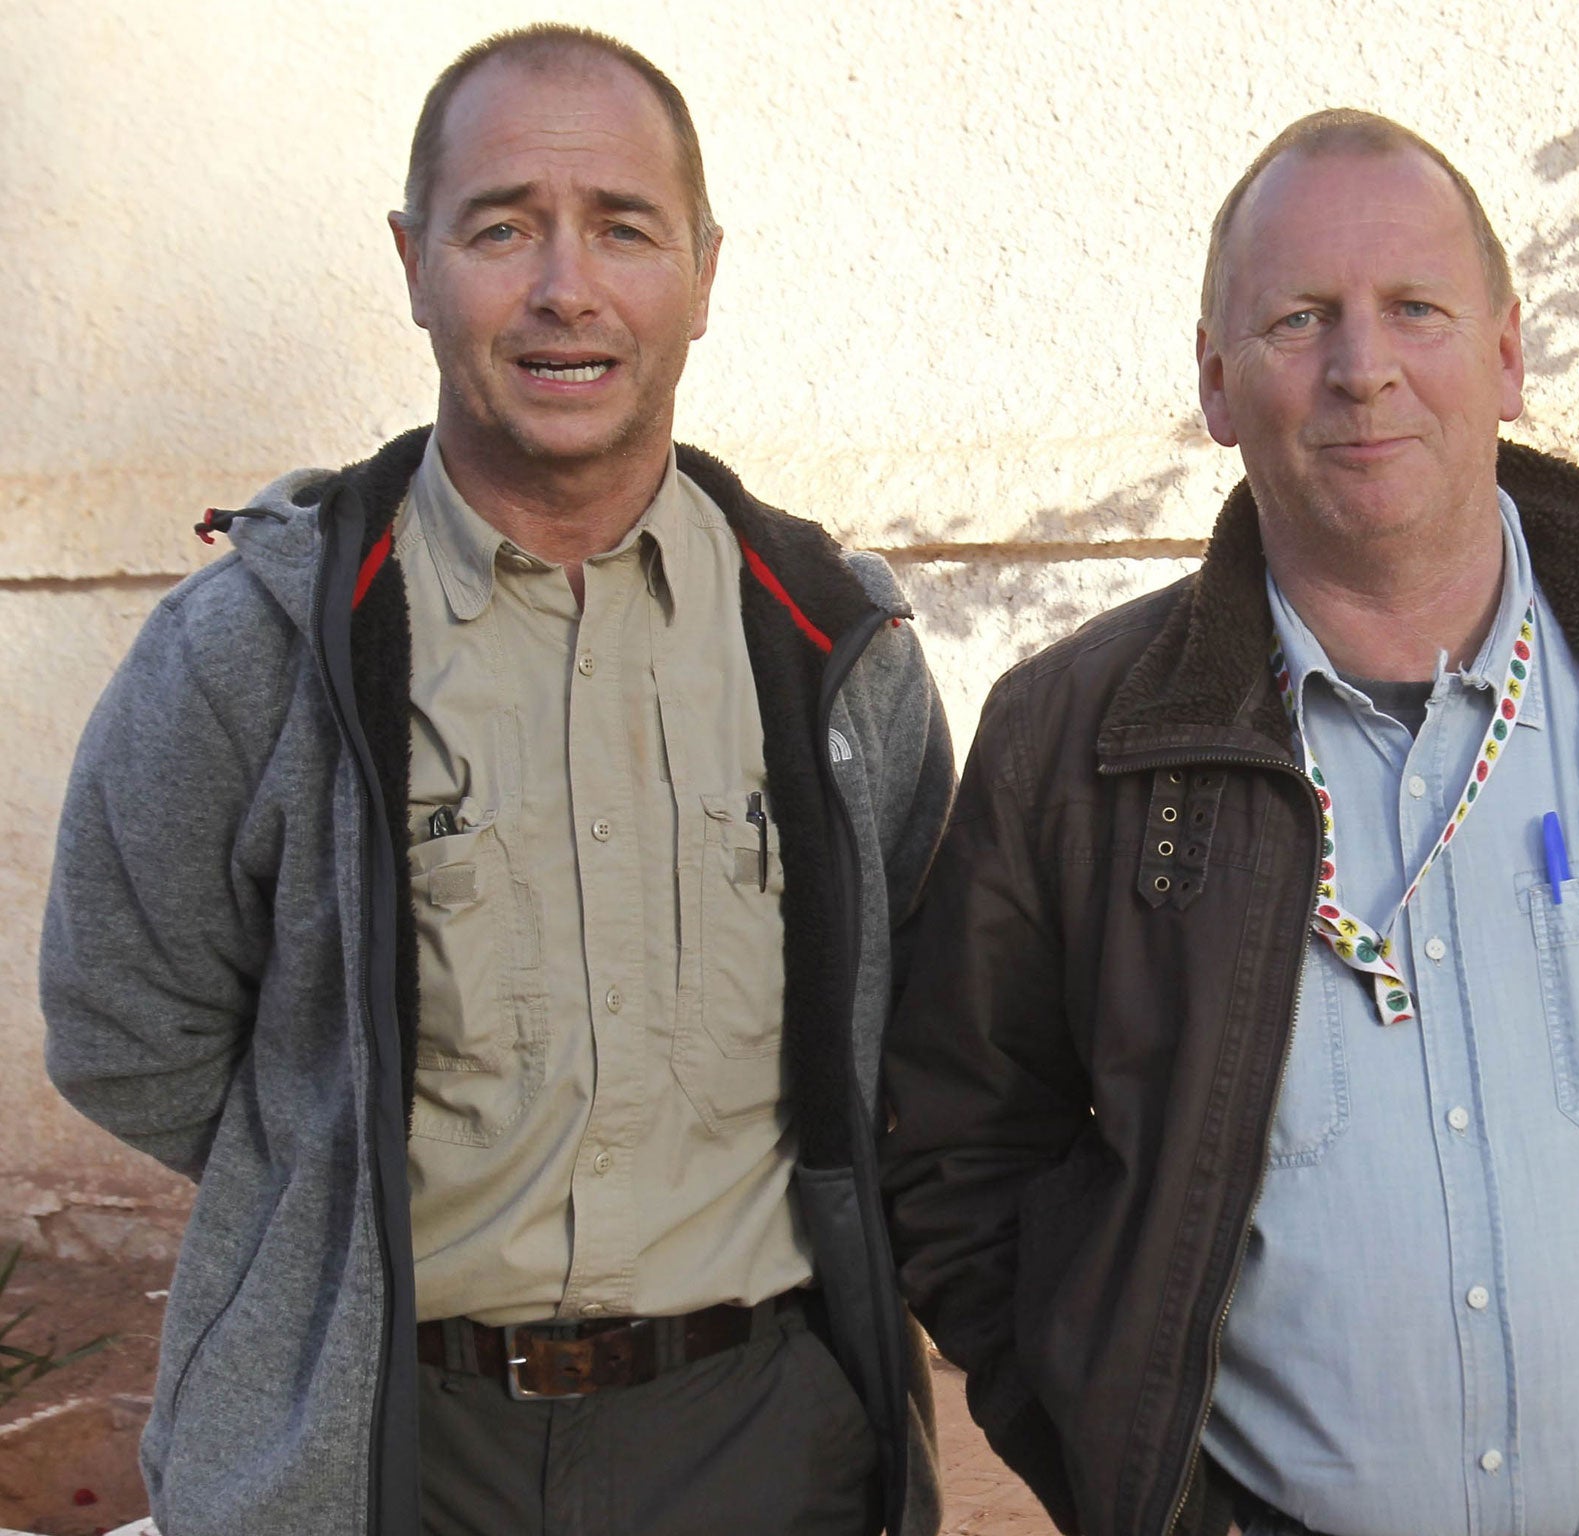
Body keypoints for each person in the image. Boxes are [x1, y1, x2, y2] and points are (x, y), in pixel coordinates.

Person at [880, 109, 1579, 1536]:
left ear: (1505, 358)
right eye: (1300, 318)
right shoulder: (1076, 749)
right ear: (1217, 380)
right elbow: (957, 1158)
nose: (1364, 370)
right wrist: (1133, 1484)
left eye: (1414, 309)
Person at [42, 24, 951, 1536]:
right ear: (413, 262)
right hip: (383, 1453)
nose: (564, 289)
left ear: (704, 273)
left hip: (761, 1445)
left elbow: (913, 1045)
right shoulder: (256, 650)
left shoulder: (837, 654)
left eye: (623, 227)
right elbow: (125, 1029)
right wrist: (323, 1201)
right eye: (502, 225)